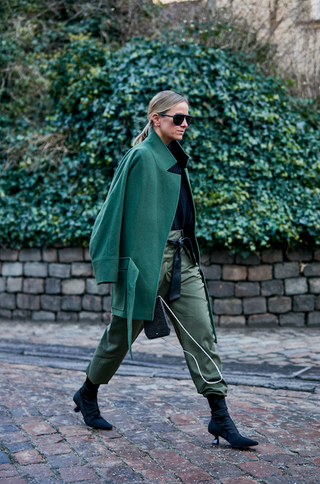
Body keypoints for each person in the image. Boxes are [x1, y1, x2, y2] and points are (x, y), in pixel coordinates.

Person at [73, 90, 258, 448]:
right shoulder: (140, 157)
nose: (185, 124)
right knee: (119, 335)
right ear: (156, 118)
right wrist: (112, 265)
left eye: (188, 118)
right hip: (146, 264)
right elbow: (111, 214)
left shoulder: (175, 157)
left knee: (201, 332)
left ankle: (220, 418)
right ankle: (87, 393)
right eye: (178, 118)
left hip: (181, 259)